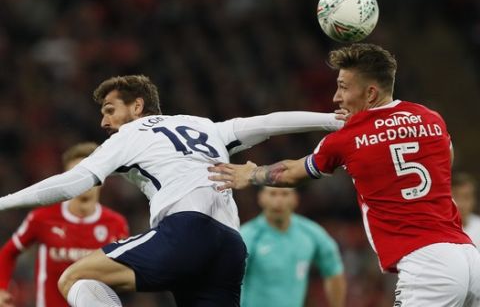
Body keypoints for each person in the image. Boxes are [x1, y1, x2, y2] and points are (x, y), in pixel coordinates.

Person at [0, 75, 345, 307]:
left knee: (75, 276)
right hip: (230, 247)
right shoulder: (204, 126)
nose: (104, 122)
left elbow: (77, 180)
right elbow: (269, 123)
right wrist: (335, 120)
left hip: (185, 231)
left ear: (137, 107)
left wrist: (6, 201)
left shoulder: (130, 135)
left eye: (110, 110)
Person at [209, 43, 480, 306]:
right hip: (469, 256)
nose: (336, 97)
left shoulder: (349, 137)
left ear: (371, 93)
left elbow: (290, 174)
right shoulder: (431, 118)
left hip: (427, 265)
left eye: (343, 87)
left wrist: (252, 173)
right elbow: (447, 159)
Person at [0, 142, 129, 307]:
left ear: (102, 178)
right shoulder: (42, 217)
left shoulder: (116, 224)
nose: (81, 182)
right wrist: (1, 288)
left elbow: (122, 274)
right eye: (74, 176)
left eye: (88, 175)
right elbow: (8, 252)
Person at [240, 186, 346, 307]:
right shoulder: (248, 236)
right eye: (272, 194)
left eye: (285, 194)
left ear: (295, 199)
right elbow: (229, 282)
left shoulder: (311, 233)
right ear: (261, 198)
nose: (278, 201)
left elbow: (334, 269)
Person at [452, 172, 480, 248]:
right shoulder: (438, 230)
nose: (461, 204)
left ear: (474, 200)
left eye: (466, 197)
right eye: (456, 197)